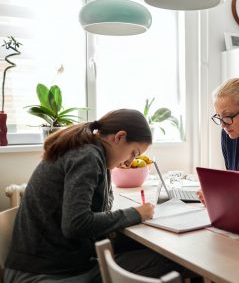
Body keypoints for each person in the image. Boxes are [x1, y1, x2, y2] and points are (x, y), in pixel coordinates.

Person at [4, 109, 188, 282]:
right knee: (171, 263)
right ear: (120, 136)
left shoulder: (90, 152)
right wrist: (136, 214)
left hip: (50, 264)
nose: (131, 161)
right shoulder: (87, 157)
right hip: (45, 274)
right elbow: (76, 224)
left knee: (152, 253)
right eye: (133, 153)